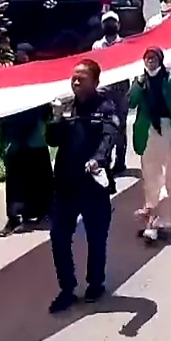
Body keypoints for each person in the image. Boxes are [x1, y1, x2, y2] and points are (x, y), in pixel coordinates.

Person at [45, 60, 119, 313]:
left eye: (82, 78)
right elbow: (52, 140)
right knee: (58, 238)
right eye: (74, 78)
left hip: (93, 186)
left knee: (96, 237)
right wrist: (56, 119)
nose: (76, 82)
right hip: (65, 187)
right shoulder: (66, 108)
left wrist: (97, 159)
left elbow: (110, 136)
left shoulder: (105, 107)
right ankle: (66, 288)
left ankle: (95, 283)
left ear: (95, 81)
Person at [128, 47, 171, 244]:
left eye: (153, 58)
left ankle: (163, 219)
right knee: (149, 175)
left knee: (165, 173)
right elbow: (131, 103)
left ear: (160, 60)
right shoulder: (140, 81)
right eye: (147, 58)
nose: (150, 61)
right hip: (147, 130)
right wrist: (138, 85)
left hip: (165, 129)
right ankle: (151, 219)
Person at [0, 44, 53, 237]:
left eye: (24, 55)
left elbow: (47, 112)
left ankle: (43, 212)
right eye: (18, 55)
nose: (21, 59)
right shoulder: (8, 82)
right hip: (14, 140)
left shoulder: (39, 80)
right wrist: (1, 143)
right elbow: (2, 115)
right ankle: (13, 218)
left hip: (35, 140)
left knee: (41, 178)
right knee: (14, 182)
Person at [91, 11, 130, 177]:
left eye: (113, 22)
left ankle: (120, 161)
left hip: (121, 92)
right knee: (105, 126)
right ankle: (105, 160)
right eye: (107, 22)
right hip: (104, 91)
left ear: (118, 25)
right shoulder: (97, 46)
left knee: (120, 127)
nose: (110, 25)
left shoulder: (125, 45)